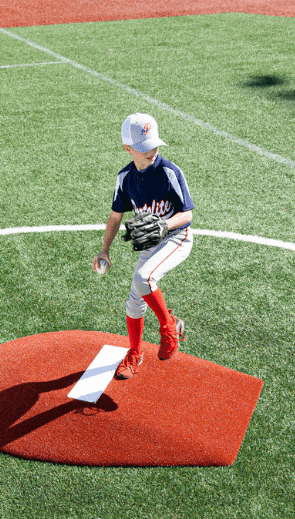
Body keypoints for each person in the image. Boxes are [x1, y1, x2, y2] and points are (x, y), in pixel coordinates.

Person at [93, 113, 195, 380]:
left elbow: (187, 215)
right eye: (143, 146)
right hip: (151, 244)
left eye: (153, 144)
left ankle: (169, 325)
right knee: (133, 302)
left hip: (177, 238)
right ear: (128, 148)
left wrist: (165, 226)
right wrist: (105, 249)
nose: (151, 150)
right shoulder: (125, 178)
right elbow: (116, 216)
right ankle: (135, 354)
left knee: (143, 277)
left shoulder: (169, 171)